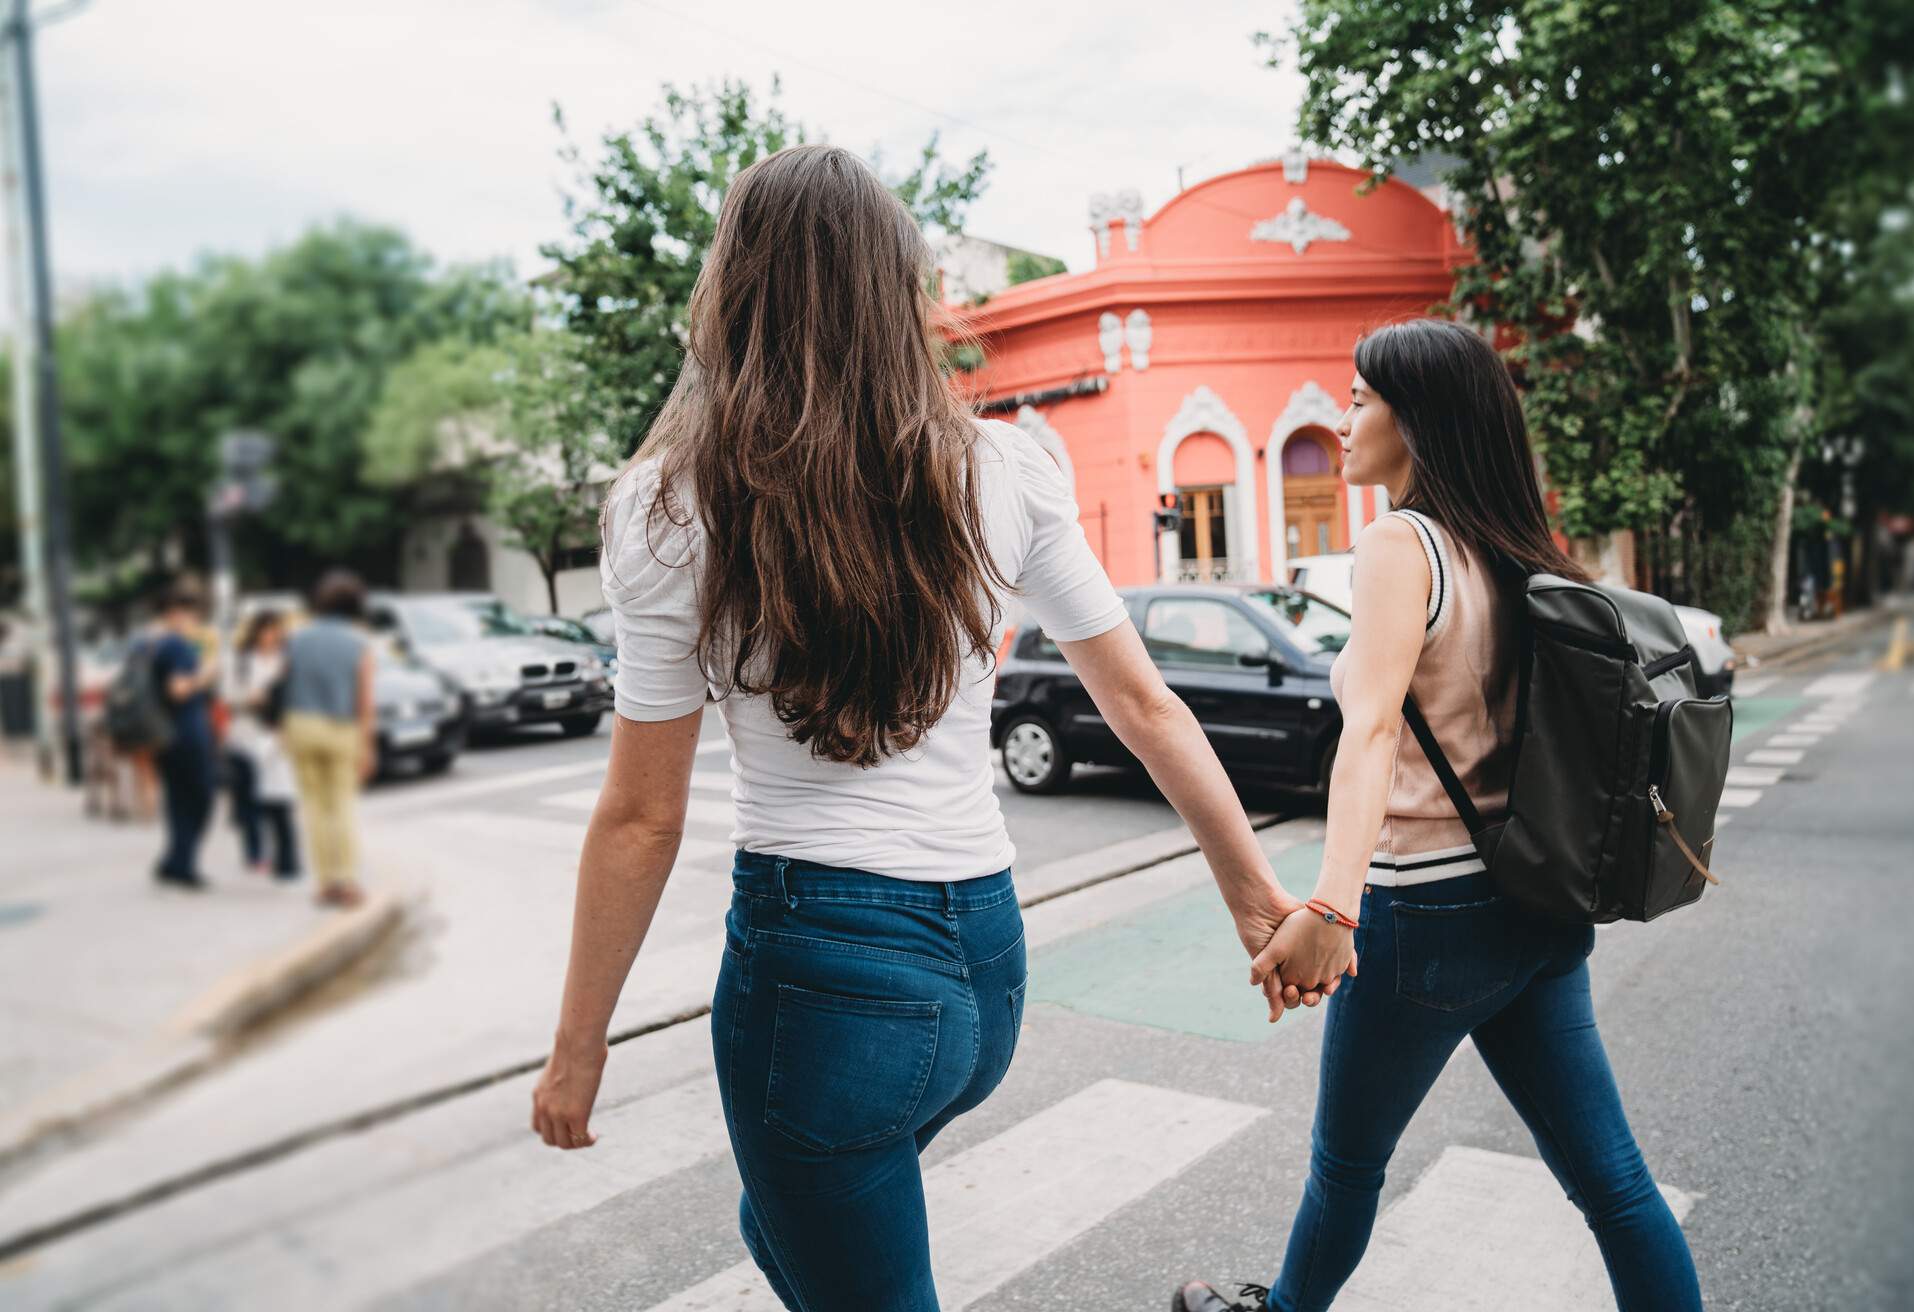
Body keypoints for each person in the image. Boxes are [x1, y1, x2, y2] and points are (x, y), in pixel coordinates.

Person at [528, 144, 1337, 1311]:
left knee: (831, 1226)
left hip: (823, 980)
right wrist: (1254, 894)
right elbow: (1143, 701)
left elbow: (642, 814)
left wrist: (579, 1047)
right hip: (985, 969)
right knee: (786, 1218)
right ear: (899, 293)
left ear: (732, 291)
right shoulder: (1007, 466)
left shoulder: (669, 506)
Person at [1177, 319, 1702, 1312]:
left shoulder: (1398, 542)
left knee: (1346, 1169)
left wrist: (1333, 911)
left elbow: (1369, 731)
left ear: (1416, 421)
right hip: (1537, 907)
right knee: (1616, 1185)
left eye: (1362, 397)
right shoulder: (1511, 550)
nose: (1344, 414)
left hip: (1429, 919)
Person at [281, 571, 375, 909]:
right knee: (341, 806)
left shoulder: (296, 638)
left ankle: (324, 884)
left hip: (301, 724)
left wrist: (283, 731)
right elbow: (364, 700)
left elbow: (285, 686)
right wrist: (368, 746)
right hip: (340, 728)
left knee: (314, 808)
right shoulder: (359, 642)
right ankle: (347, 881)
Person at [149, 583, 219, 889]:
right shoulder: (177, 646)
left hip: (162, 732)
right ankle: (183, 864)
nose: (195, 621)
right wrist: (206, 673)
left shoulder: (151, 643)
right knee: (201, 797)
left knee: (177, 799)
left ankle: (174, 862)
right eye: (192, 614)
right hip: (187, 731)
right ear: (177, 613)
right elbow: (178, 689)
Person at [225, 608, 300, 880]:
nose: (271, 635)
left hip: (276, 737)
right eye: (265, 629)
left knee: (278, 797)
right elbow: (227, 695)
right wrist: (249, 697)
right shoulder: (242, 661)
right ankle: (254, 852)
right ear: (256, 632)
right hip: (244, 735)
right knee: (248, 799)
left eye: (276, 629)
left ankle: (284, 855)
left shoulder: (287, 660)